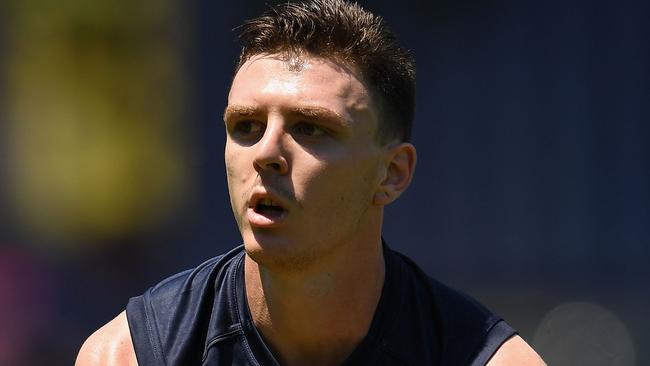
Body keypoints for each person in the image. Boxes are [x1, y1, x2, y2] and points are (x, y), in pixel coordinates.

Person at [76, 0, 545, 365]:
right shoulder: (132, 356)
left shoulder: (485, 359)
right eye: (245, 127)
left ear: (392, 173)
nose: (266, 154)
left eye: (311, 128)